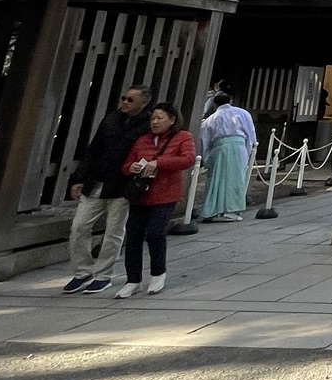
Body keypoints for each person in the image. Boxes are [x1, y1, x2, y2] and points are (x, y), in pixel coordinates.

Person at [62, 84, 151, 293]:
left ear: (144, 101)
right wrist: (79, 178)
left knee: (114, 230)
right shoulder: (111, 119)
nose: (125, 103)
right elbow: (94, 148)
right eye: (124, 98)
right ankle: (82, 271)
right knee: (79, 226)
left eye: (131, 100)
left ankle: (103, 274)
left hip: (122, 184)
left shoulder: (147, 124)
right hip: (97, 179)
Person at [117, 102, 195, 298]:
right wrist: (132, 167)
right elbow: (126, 165)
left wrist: (159, 162)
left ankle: (158, 273)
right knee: (133, 237)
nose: (155, 122)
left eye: (160, 118)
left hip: (165, 193)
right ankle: (133, 279)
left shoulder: (183, 137)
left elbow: (188, 159)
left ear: (172, 119)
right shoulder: (142, 140)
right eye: (153, 118)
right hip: (140, 194)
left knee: (154, 233)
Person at [196, 88, 255, 222]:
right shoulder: (242, 113)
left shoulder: (210, 120)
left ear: (215, 105)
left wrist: (205, 159)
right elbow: (250, 133)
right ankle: (231, 210)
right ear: (231, 101)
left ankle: (212, 210)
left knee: (216, 180)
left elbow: (204, 141)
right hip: (238, 147)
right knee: (236, 179)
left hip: (218, 149)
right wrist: (248, 150)